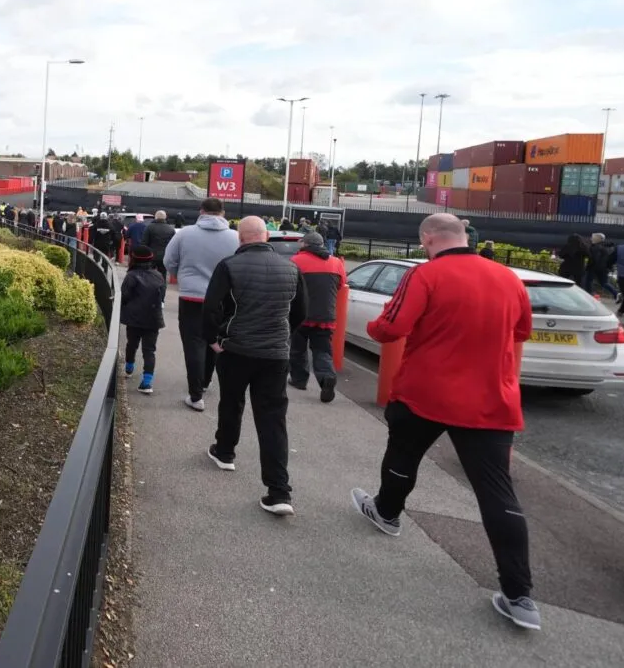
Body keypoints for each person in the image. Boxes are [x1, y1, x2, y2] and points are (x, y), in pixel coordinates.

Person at [350, 214, 540, 631]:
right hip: (491, 398)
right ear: (465, 237)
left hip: (427, 392)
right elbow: (522, 331)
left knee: (403, 455)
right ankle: (520, 595)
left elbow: (391, 328)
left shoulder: (426, 275)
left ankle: (387, 513)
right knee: (496, 492)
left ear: (428, 239)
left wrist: (371, 325)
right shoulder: (509, 278)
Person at [202, 216, 306, 516]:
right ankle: (279, 491)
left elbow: (211, 307)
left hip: (236, 348)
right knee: (272, 418)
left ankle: (225, 451)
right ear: (266, 236)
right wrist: (281, 335)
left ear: (241, 238)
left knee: (231, 402)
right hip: (275, 354)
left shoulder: (229, 266)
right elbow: (301, 311)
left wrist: (213, 339)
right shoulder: (291, 268)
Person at [164, 197, 239, 412]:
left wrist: (182, 277)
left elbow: (169, 261)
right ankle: (205, 381)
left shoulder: (185, 234)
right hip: (223, 299)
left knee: (193, 344)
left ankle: (195, 395)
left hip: (191, 297)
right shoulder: (235, 238)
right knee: (214, 340)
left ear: (201, 211)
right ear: (223, 213)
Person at [289, 232, 346, 402]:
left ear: (305, 244)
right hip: (326, 316)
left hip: (301, 314)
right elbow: (341, 285)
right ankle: (326, 377)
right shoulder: (336, 263)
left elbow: (290, 285)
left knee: (298, 349)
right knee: (322, 350)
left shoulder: (296, 261)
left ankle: (299, 380)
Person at [120, 244, 167, 394]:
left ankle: (129, 367)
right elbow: (162, 296)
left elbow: (124, 296)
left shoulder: (131, 276)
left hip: (134, 318)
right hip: (154, 319)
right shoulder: (158, 275)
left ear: (133, 259)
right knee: (149, 350)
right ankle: (147, 382)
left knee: (132, 344)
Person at [587, 233, 618, 300]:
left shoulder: (597, 247)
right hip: (604, 268)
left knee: (588, 281)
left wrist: (589, 266)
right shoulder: (607, 247)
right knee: (604, 283)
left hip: (594, 267)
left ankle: (589, 296)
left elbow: (594, 258)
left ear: (598, 239)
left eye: (593, 237)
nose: (591, 238)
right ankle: (616, 294)